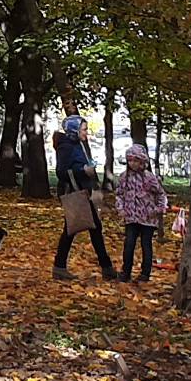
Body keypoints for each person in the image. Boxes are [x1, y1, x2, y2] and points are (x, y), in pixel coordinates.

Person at [53, 115, 117, 282]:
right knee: (81, 229)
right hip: (75, 193)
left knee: (82, 229)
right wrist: (83, 170)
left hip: (83, 192)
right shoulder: (66, 146)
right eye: (84, 129)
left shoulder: (77, 144)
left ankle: (61, 267)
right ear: (74, 130)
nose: (86, 133)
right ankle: (106, 268)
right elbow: (61, 171)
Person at [114, 144, 168, 284]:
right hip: (131, 217)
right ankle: (126, 272)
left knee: (146, 244)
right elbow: (119, 194)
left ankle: (145, 273)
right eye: (130, 160)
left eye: (136, 161)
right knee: (129, 243)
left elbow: (161, 194)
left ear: (142, 162)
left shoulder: (149, 178)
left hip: (148, 218)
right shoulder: (124, 177)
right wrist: (121, 208)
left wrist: (158, 209)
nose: (133, 164)